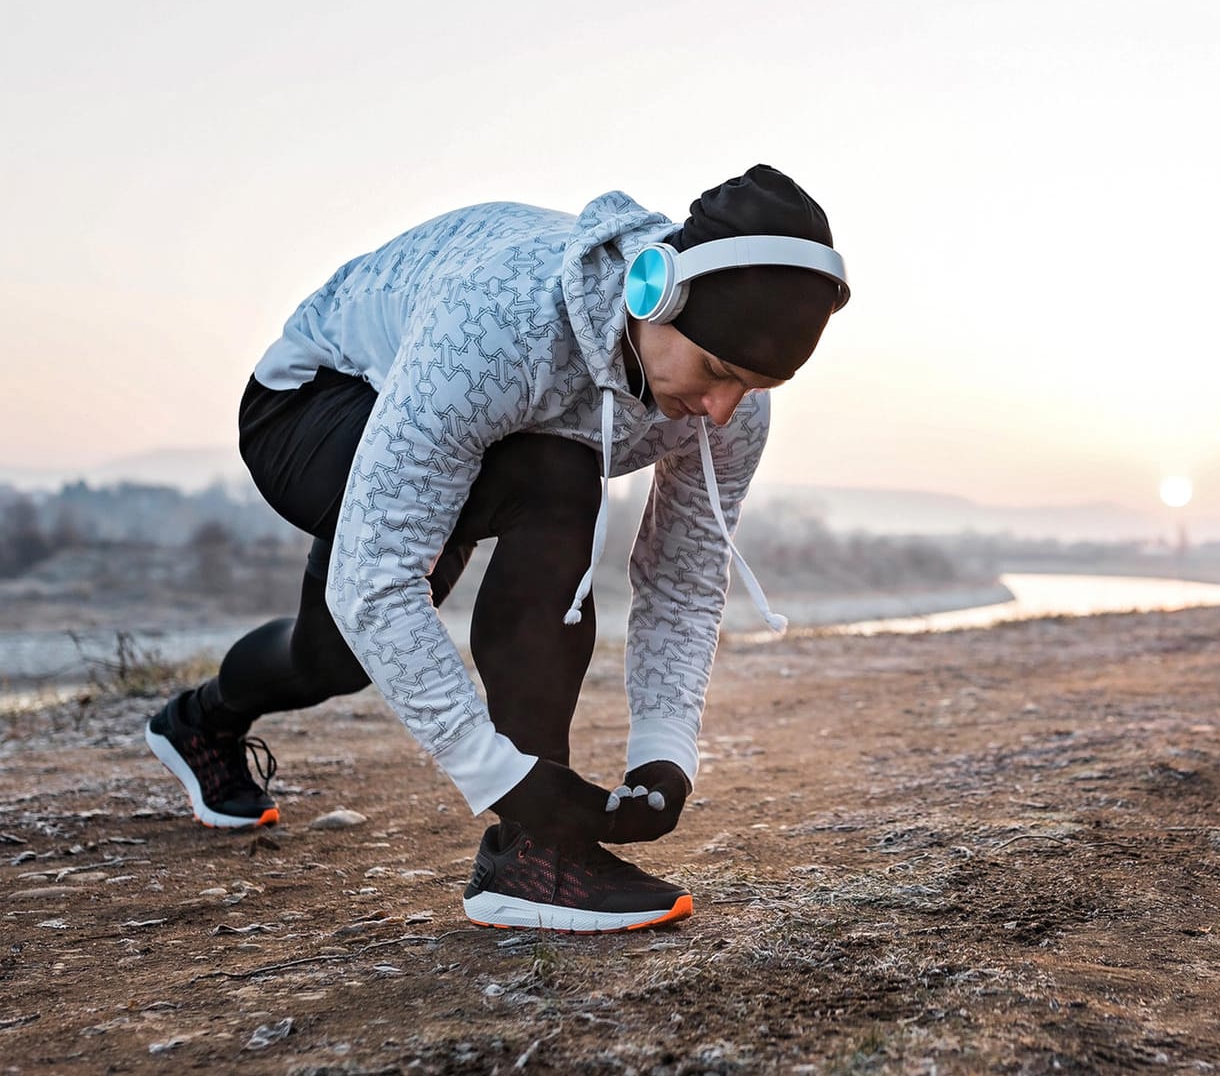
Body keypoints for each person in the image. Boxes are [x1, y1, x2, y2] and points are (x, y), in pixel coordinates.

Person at [142, 165, 849, 933]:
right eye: (716, 372)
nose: (720, 411)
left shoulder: (731, 409)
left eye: (752, 386)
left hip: (486, 432)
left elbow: (681, 580)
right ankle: (534, 854)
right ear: (654, 291)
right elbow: (374, 582)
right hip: (317, 401)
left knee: (333, 658)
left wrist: (665, 752)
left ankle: (199, 720)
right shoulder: (503, 323)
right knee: (557, 475)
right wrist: (508, 781)